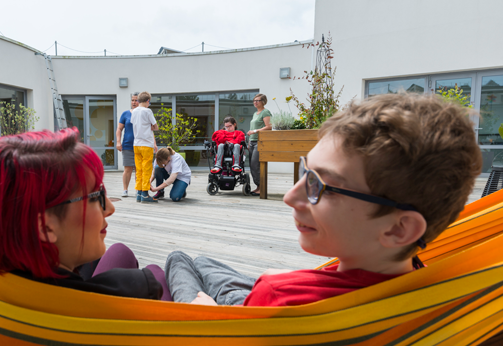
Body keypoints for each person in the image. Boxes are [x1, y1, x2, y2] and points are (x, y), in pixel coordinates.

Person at [165, 93, 482, 307]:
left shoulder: (275, 295)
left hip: (249, 312)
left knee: (180, 259)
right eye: (305, 171)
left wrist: (203, 308)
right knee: (205, 262)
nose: (290, 196)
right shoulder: (419, 284)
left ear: (399, 229)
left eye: (319, 185)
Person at [0, 128, 171, 301]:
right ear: (45, 227)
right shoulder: (137, 291)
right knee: (162, 267)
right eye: (96, 196)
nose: (110, 209)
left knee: (118, 250)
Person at [130, 91, 159, 203]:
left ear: (138, 101)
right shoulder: (148, 111)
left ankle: (139, 193)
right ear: (147, 101)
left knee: (139, 170)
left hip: (136, 144)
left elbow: (134, 124)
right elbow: (155, 127)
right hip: (146, 144)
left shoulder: (134, 111)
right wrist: (150, 127)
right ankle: (145, 195)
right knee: (146, 169)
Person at [246, 94, 272, 196]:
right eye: (254, 100)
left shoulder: (265, 112)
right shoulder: (255, 113)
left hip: (260, 142)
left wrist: (255, 131)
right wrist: (249, 142)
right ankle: (258, 187)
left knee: (255, 165)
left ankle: (262, 187)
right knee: (252, 166)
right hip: (252, 142)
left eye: (258, 100)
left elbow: (269, 127)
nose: (255, 102)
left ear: (263, 101)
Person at [115, 92, 139, 197]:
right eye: (132, 100)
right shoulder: (125, 114)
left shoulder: (144, 113)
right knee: (128, 169)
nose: (134, 102)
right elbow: (119, 129)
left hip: (140, 145)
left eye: (136, 100)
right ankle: (125, 190)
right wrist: (118, 142)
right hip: (127, 145)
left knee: (139, 169)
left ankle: (138, 190)